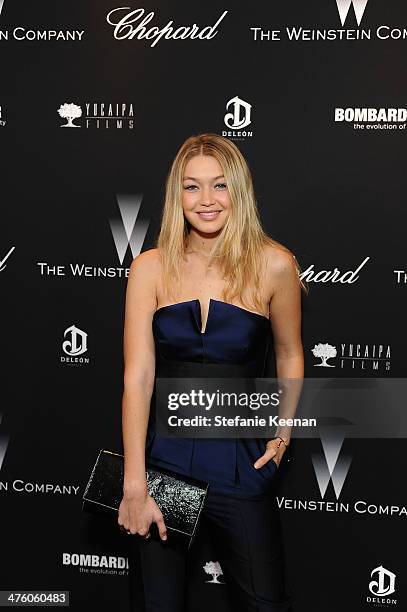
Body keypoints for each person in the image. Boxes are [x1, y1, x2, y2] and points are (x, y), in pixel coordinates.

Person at [118, 133, 306, 611]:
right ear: (175, 195)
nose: (206, 201)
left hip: (240, 466)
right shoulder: (149, 268)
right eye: (192, 187)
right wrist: (136, 483)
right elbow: (138, 377)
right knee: (159, 605)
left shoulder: (274, 265)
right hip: (166, 467)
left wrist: (282, 436)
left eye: (219, 186)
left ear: (238, 191)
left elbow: (289, 353)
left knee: (266, 603)